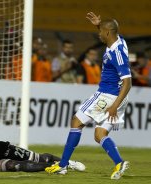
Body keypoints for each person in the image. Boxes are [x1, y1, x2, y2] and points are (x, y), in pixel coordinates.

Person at [45, 12, 131, 180]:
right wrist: (99, 25)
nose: (98, 34)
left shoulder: (117, 53)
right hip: (117, 97)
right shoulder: (119, 41)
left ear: (107, 33)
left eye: (100, 32)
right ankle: (119, 163)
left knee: (76, 121)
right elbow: (110, 31)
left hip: (108, 95)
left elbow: (128, 83)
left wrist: (113, 106)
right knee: (99, 135)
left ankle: (62, 165)